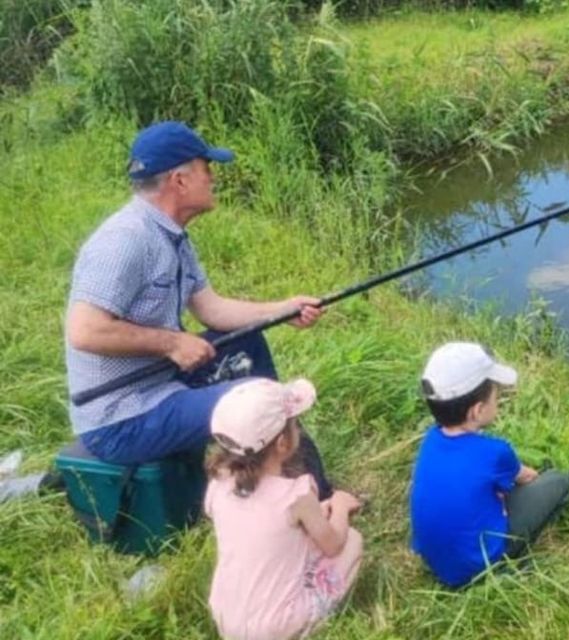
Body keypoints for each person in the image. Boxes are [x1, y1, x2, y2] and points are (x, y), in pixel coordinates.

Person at [62, 120, 331, 495]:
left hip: (158, 382)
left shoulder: (171, 235)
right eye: (207, 169)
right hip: (121, 418)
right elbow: (85, 330)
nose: (213, 179)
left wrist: (283, 310)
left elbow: (213, 310)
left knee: (246, 343)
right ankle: (317, 501)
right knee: (259, 399)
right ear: (180, 181)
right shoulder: (124, 240)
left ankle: (273, 471)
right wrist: (172, 343)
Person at [205, 378, 363, 640]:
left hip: (226, 616)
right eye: (295, 425)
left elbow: (261, 522)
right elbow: (333, 544)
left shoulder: (219, 484)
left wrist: (319, 511)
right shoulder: (297, 495)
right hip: (276, 627)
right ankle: (308, 627)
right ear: (282, 443)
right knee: (353, 541)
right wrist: (341, 507)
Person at [409, 341, 569, 588]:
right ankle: (509, 563)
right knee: (559, 481)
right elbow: (528, 477)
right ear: (477, 410)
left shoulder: (430, 440)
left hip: (436, 561)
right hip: (476, 567)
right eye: (496, 395)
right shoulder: (494, 452)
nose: (499, 399)